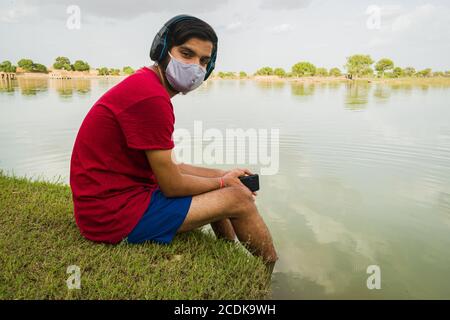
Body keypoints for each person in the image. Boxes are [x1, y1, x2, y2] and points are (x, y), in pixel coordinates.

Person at [69, 14, 278, 272]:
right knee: (239, 199)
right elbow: (172, 185)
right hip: (110, 216)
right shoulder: (151, 99)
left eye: (203, 61)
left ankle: (227, 251)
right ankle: (272, 270)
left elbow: (171, 167)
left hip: (112, 203)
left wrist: (223, 175)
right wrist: (225, 184)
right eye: (186, 54)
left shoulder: (147, 85)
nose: (195, 67)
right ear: (162, 50)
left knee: (223, 188)